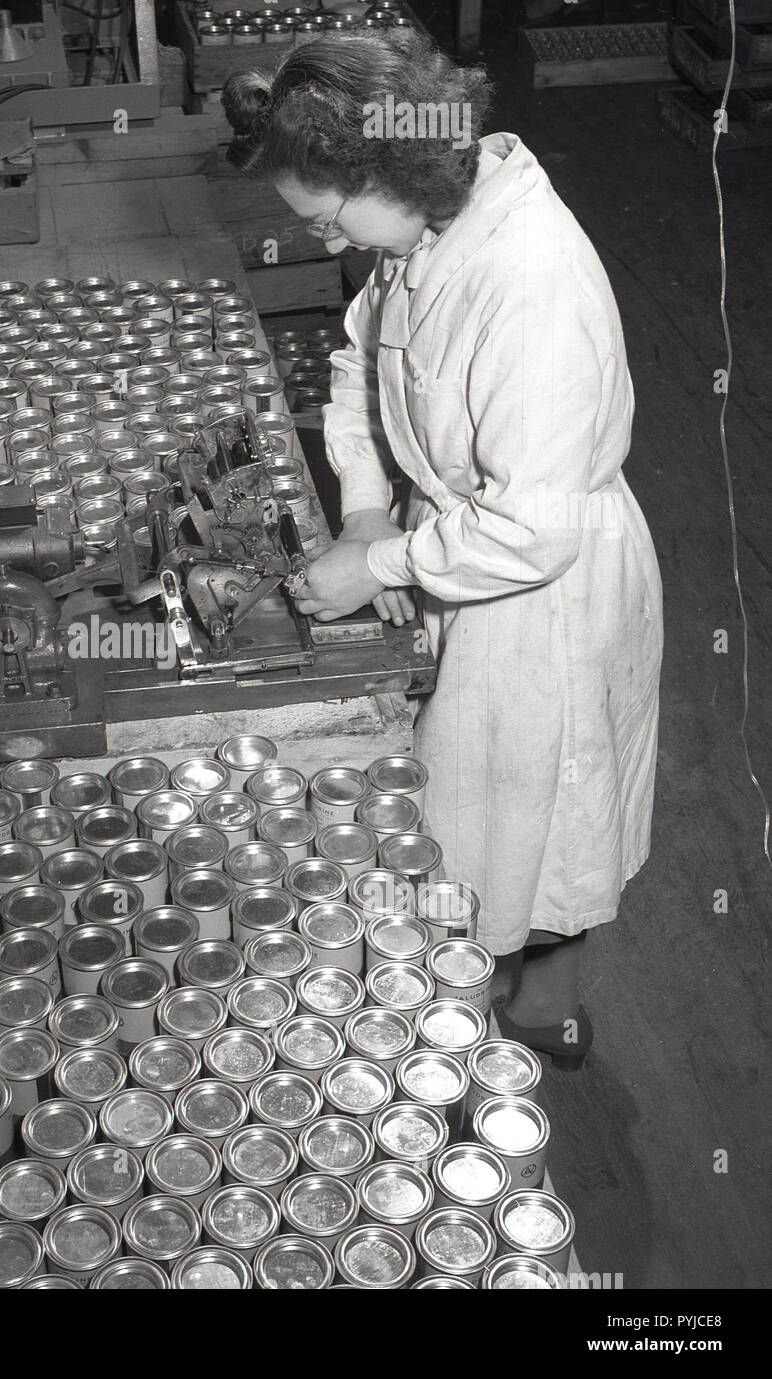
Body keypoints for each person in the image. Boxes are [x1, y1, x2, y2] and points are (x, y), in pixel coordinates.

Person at [223, 32, 663, 1070]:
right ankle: (473, 983)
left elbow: (533, 527)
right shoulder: (417, 238)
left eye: (329, 212)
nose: (325, 235)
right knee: (466, 819)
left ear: (388, 170)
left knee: (540, 819)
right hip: (452, 544)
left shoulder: (529, 276)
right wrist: (369, 511)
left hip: (538, 585)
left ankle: (537, 1000)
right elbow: (354, 361)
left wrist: (378, 566)